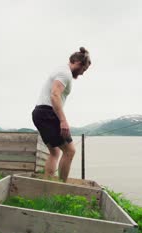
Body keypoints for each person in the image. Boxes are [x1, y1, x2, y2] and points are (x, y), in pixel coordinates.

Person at [32, 47, 91, 182]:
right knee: (70, 151)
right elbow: (54, 95)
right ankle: (61, 188)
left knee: (55, 152)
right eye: (84, 69)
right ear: (78, 63)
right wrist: (63, 121)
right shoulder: (65, 73)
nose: (82, 73)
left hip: (39, 113)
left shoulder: (61, 69)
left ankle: (47, 186)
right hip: (47, 112)